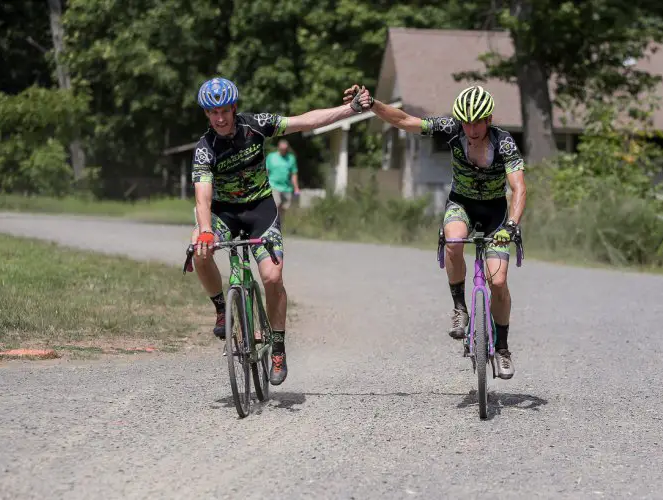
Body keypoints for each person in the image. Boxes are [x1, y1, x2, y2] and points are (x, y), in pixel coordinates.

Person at [190, 77, 370, 386]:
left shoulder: (256, 125)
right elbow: (202, 194)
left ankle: (278, 345)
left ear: (234, 108)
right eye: (212, 113)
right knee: (198, 248)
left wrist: (348, 110)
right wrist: (206, 230)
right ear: (207, 115)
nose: (219, 118)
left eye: (223, 111)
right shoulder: (205, 149)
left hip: (260, 209)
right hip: (223, 214)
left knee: (272, 277)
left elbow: (304, 122)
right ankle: (222, 308)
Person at [343, 84, 526, 379]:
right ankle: (459, 308)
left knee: (499, 281)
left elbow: (518, 188)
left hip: (495, 212)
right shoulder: (452, 129)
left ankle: (502, 348)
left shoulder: (504, 143)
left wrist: (512, 225)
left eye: (477, 122)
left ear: (489, 120)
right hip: (462, 203)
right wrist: (372, 103)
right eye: (466, 122)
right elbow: (406, 121)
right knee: (453, 240)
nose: (471, 128)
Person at [266, 139, 300, 220]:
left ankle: (279, 225)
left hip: (286, 188)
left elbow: (293, 174)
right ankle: (271, 222)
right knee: (276, 204)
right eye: (282, 149)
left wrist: (296, 188)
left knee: (285, 208)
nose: (284, 151)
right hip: (273, 185)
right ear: (278, 148)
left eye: (285, 149)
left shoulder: (291, 158)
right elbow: (266, 171)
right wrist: (265, 184)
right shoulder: (271, 157)